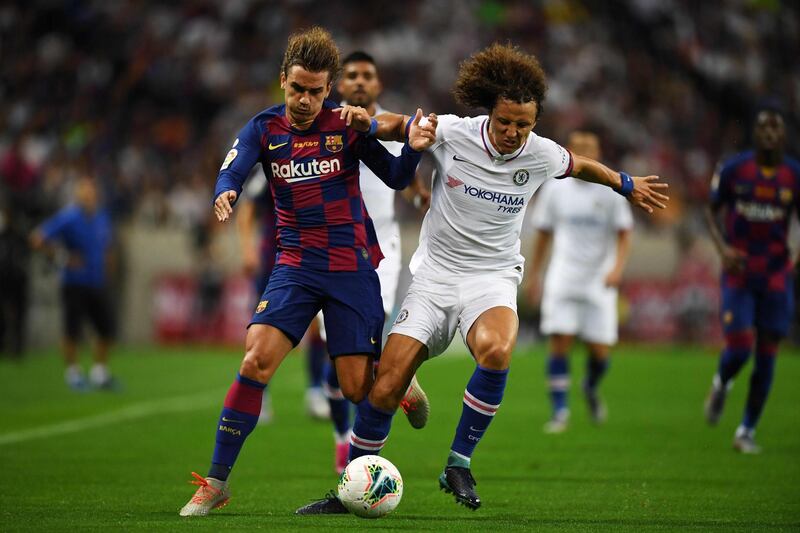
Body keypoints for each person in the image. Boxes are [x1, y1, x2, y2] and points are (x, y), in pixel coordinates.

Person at [297, 42, 667, 514]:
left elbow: (581, 165)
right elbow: (397, 125)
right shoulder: (454, 132)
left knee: (496, 349)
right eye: (505, 122)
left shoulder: (541, 154)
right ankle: (350, 489)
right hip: (433, 276)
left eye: (523, 125)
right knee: (386, 386)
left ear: (534, 124)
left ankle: (458, 463)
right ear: (489, 113)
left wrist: (625, 183)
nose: (512, 132)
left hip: (491, 277)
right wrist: (367, 122)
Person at [179, 26, 437, 517]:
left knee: (356, 389)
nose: (305, 99)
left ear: (329, 88)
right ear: (283, 81)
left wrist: (415, 146)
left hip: (349, 267)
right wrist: (225, 190)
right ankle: (215, 482)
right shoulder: (264, 127)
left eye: (316, 91)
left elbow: (399, 177)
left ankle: (394, 382)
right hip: (294, 265)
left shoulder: (346, 126)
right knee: (255, 360)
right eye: (297, 89)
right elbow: (233, 165)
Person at [323, 50, 431, 474]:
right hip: (325, 244)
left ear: (378, 84)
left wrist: (419, 195)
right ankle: (344, 433)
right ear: (338, 84)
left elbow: (399, 171)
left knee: (366, 334)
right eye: (352, 75)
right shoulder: (323, 122)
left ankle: (357, 441)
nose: (361, 81)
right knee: (335, 352)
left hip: (377, 245)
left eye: (368, 75)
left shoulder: (387, 123)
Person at [703, 107, 800, 454]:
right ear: (756, 134)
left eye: (776, 128)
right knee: (741, 347)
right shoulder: (735, 169)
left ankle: (746, 430)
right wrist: (723, 249)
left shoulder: (793, 174)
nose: (770, 134)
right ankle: (722, 381)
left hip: (776, 275)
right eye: (764, 128)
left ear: (783, 135)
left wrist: (796, 252)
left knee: (768, 355)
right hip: (739, 271)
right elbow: (710, 210)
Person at [526, 130, 633, 434]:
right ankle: (560, 411)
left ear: (598, 152)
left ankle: (590, 385)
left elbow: (625, 232)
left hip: (599, 279)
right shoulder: (555, 188)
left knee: (600, 353)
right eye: (580, 148)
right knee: (559, 343)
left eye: (592, 147)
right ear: (570, 151)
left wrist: (617, 269)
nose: (586, 152)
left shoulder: (611, 187)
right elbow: (544, 234)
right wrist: (536, 275)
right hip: (563, 275)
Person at [236, 178, 330, 423]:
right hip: (274, 260)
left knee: (315, 324)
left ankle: (315, 391)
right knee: (262, 329)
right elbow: (247, 208)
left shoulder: (317, 161)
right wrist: (247, 249)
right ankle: (258, 396)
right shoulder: (272, 164)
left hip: (309, 257)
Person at [30, 175, 117, 390]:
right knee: (72, 330)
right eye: (84, 191)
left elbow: (107, 246)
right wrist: (62, 257)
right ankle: (74, 374)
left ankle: (100, 374)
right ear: (78, 194)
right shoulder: (69, 217)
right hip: (74, 282)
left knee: (107, 329)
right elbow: (37, 238)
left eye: (91, 190)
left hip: (96, 281)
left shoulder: (102, 217)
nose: (88, 195)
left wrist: (107, 269)